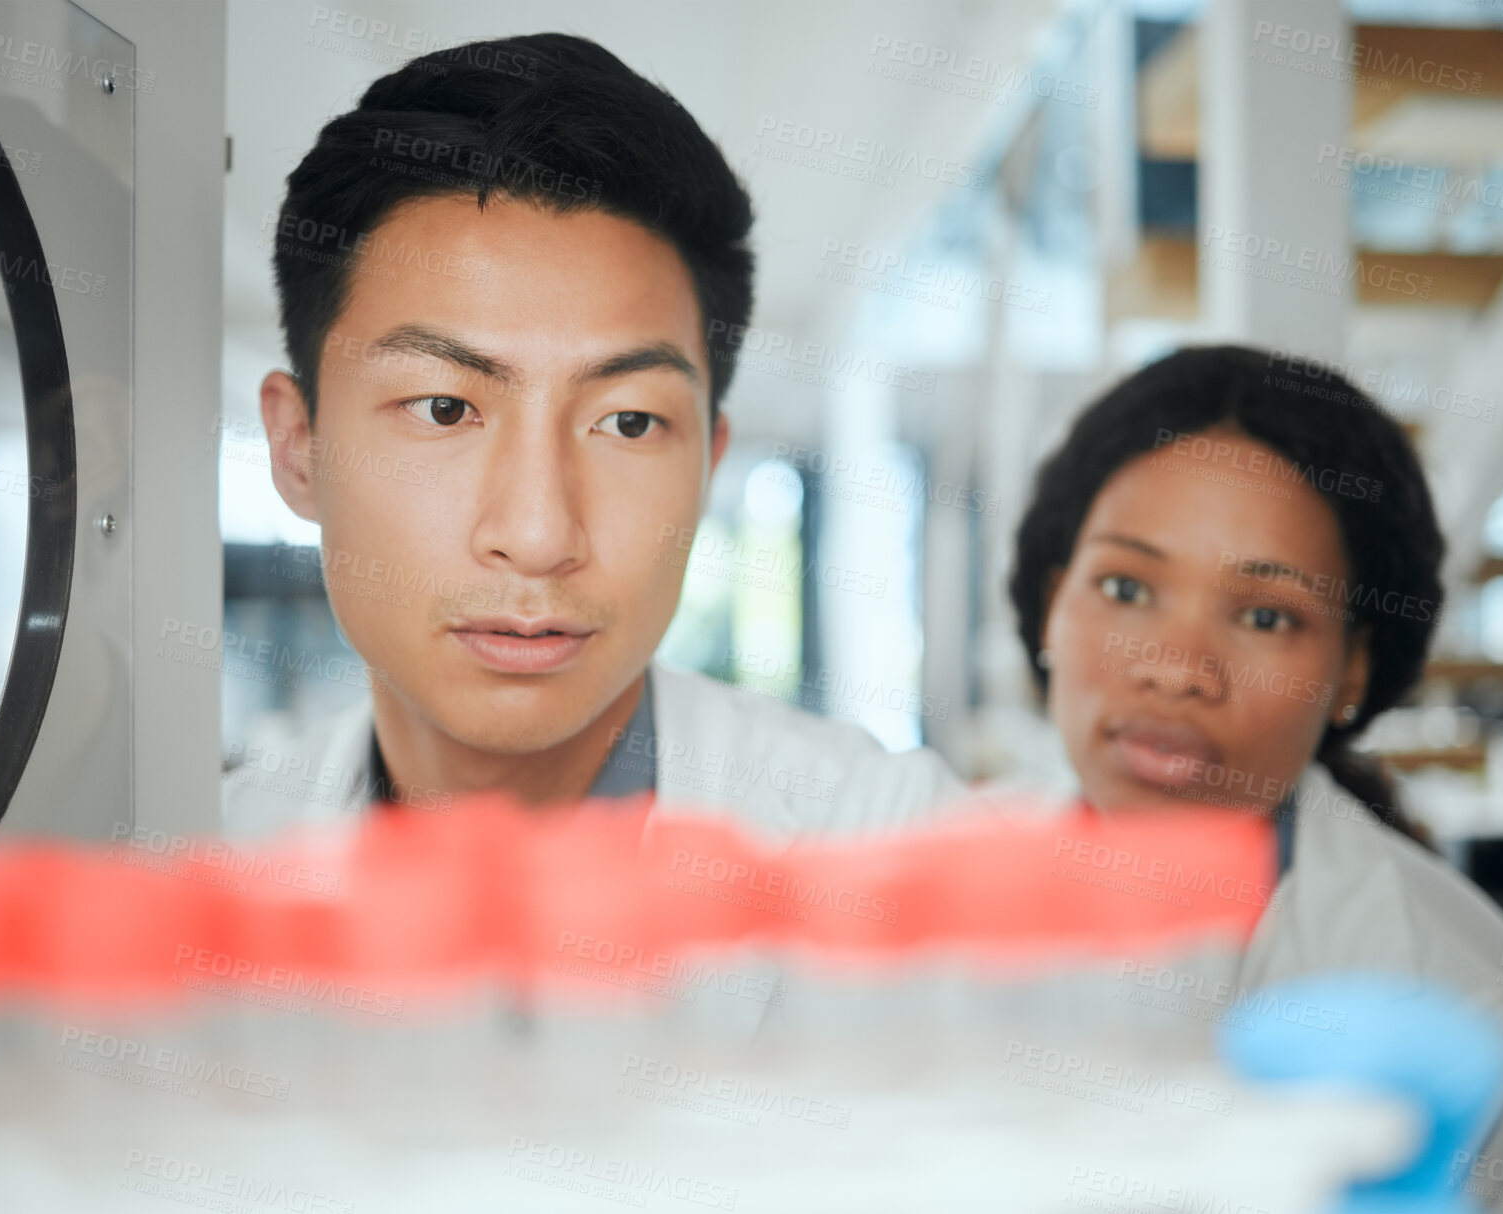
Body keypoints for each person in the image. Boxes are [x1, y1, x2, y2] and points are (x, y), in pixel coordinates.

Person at [221, 33, 961, 843]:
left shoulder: (903, 850)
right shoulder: (198, 863)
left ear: (706, 468)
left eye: (629, 421)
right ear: (298, 448)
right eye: (442, 409)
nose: (538, 536)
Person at [1006, 345, 1503, 1212]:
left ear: (1351, 673)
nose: (1177, 668)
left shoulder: (1476, 1018)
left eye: (1265, 616)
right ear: (1049, 604)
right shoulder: (921, 888)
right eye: (1123, 586)